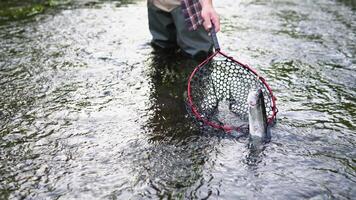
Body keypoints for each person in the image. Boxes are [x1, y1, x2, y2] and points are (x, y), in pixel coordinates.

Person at [147, 0, 220, 59]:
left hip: (186, 5)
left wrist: (207, 5)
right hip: (158, 5)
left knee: (199, 55)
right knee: (161, 49)